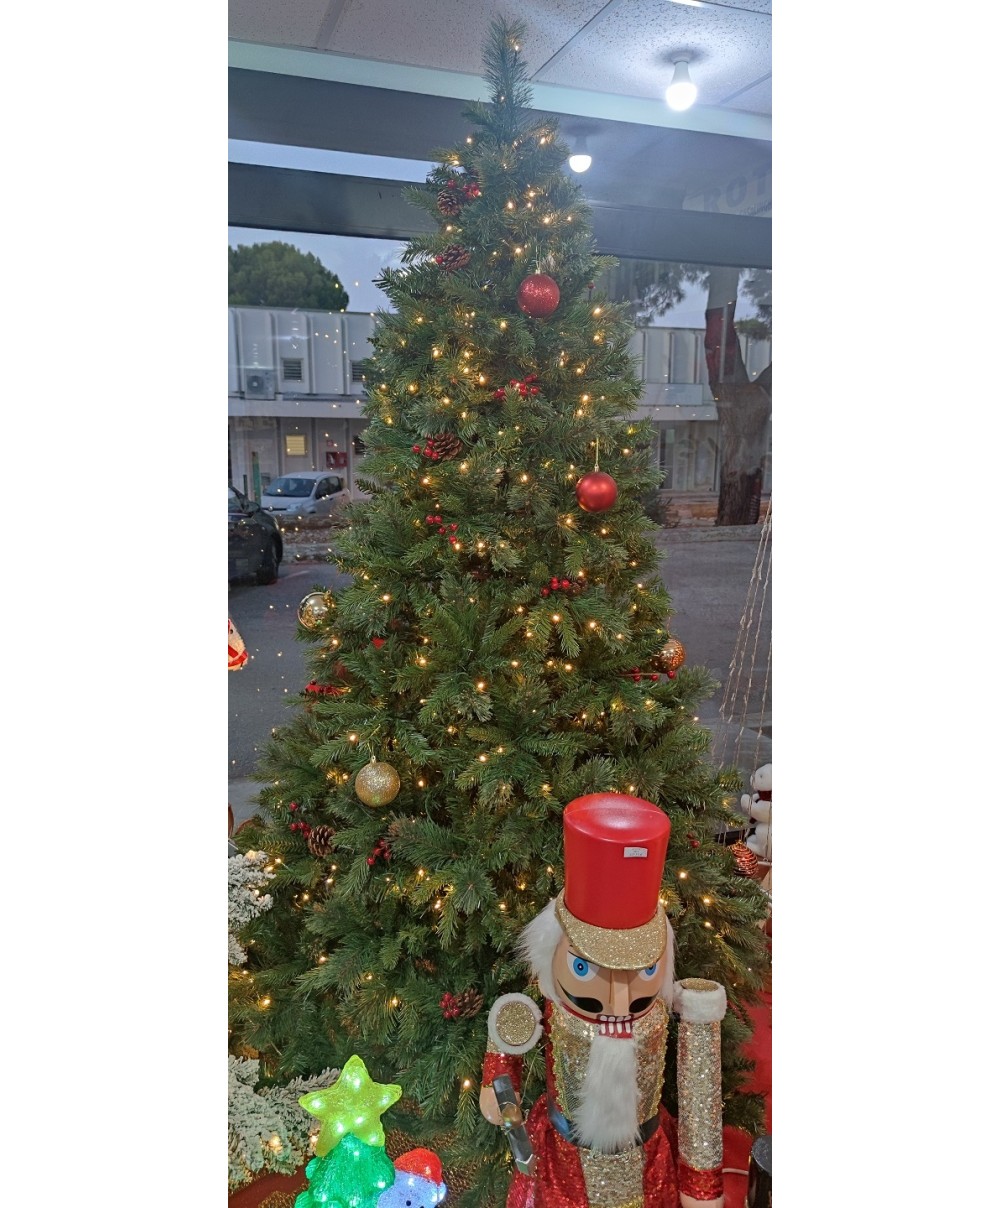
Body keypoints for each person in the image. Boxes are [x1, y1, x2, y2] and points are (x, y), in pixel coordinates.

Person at [479, 793, 726, 1208]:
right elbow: (511, 1033)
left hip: (648, 1161)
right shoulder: (553, 1006)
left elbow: (699, 1094)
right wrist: (499, 1081)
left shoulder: (672, 1011)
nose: (619, 996)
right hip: (561, 1162)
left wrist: (700, 1183)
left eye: (643, 969)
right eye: (585, 967)